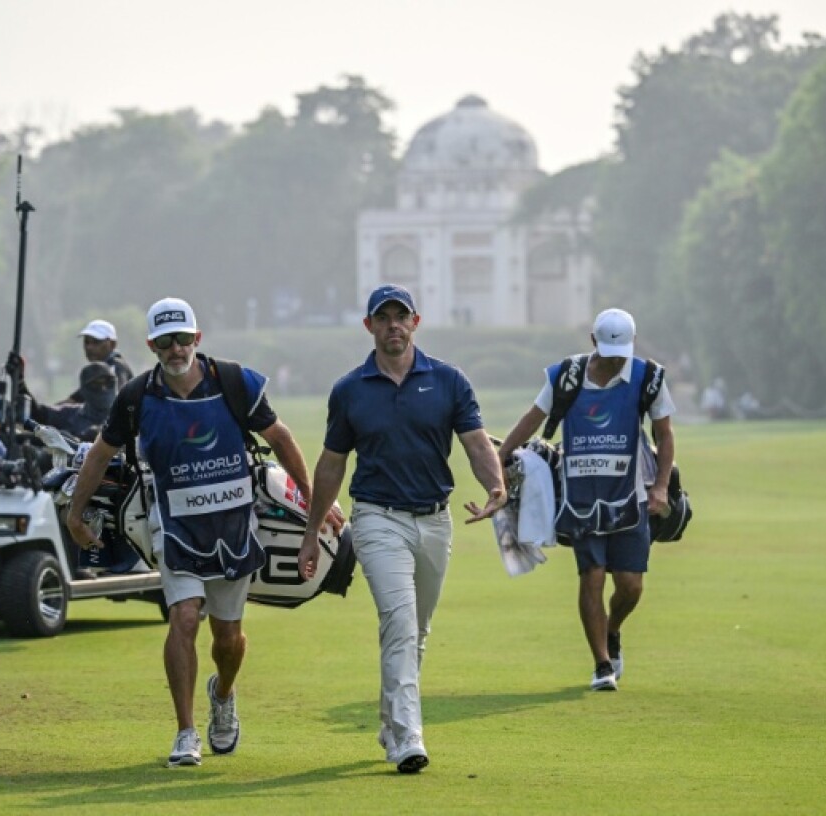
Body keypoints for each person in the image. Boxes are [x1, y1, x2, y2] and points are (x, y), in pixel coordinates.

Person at [65, 297, 342, 768]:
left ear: (198, 338)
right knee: (185, 618)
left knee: (228, 637)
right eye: (166, 341)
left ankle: (224, 693)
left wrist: (313, 497)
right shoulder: (135, 396)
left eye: (183, 338)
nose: (176, 349)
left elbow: (281, 439)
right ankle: (186, 731)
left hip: (234, 526)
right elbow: (100, 454)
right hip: (173, 527)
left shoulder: (234, 381)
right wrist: (75, 513)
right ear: (152, 345)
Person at [297, 284, 506, 774]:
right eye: (383, 317)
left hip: (435, 520)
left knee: (417, 629)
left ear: (415, 322)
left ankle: (392, 722)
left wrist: (496, 486)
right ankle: (408, 738)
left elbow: (476, 442)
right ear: (369, 326)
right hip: (376, 517)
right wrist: (312, 533)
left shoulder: (450, 381)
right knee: (399, 621)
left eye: (401, 316)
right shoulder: (350, 389)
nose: (393, 324)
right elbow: (331, 465)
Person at [495, 308, 676, 692]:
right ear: (593, 342)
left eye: (621, 354)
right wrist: (501, 455)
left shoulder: (648, 377)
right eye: (609, 353)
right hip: (580, 498)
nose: (615, 362)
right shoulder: (565, 376)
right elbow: (533, 417)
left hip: (630, 498)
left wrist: (660, 487)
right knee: (591, 576)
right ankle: (601, 664)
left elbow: (665, 435)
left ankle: (612, 630)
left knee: (631, 586)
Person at [27, 362, 116, 440]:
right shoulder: (69, 415)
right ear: (84, 389)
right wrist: (20, 383)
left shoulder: (124, 417)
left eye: (108, 383)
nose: (104, 389)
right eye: (97, 385)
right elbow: (38, 414)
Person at [64, 319, 134, 402]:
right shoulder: (97, 371)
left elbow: (118, 399)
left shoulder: (116, 367)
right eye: (87, 342)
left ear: (112, 344)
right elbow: (75, 399)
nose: (89, 347)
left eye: (96, 342)